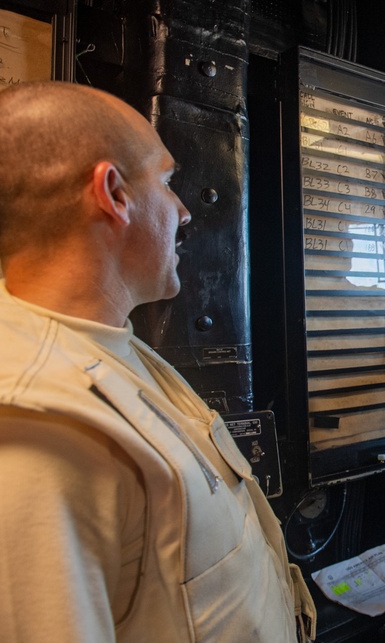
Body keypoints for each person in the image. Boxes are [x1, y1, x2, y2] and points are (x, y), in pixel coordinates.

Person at [0, 82, 316, 642]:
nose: (185, 211)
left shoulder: (108, 347)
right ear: (114, 194)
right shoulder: (36, 430)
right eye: (167, 182)